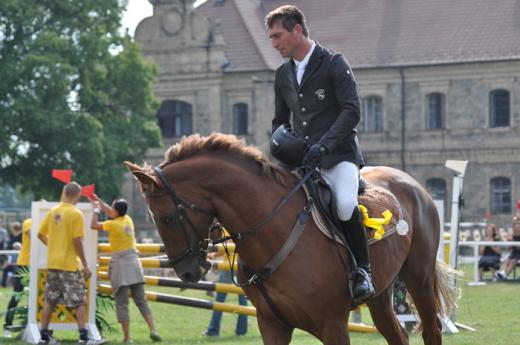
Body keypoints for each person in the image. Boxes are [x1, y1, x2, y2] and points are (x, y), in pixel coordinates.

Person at [265, 5, 374, 303]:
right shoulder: (282, 75)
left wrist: (324, 145)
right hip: (301, 161)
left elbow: (352, 110)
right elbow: (279, 121)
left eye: (277, 36)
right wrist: (278, 144)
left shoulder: (334, 63)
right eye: (271, 38)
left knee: (344, 204)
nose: (274, 44)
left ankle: (363, 271)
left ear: (297, 30)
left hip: (338, 156)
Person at [89, 193, 161, 344]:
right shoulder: (127, 220)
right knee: (141, 301)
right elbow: (110, 211)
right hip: (134, 264)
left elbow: (94, 226)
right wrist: (98, 199)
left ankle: (127, 338)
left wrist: (96, 210)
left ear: (116, 211)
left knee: (122, 303)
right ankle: (153, 329)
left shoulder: (113, 224)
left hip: (121, 266)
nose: (111, 211)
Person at [37, 182, 95, 345]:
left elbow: (40, 235)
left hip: (53, 263)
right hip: (69, 264)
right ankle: (83, 337)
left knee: (50, 300)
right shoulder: (76, 214)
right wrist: (85, 264)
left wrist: (54, 246)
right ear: (78, 195)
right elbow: (77, 242)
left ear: (64, 192)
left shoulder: (53, 211)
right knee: (79, 300)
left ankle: (44, 336)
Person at [205, 230, 247, 337]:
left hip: (229, 265)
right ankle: (242, 330)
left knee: (220, 299)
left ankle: (213, 330)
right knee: (243, 300)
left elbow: (226, 246)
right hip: (242, 263)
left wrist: (213, 254)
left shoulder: (226, 225)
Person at [3, 219, 31, 338]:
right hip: (25, 264)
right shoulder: (29, 222)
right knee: (17, 295)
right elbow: (33, 235)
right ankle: (8, 327)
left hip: (42, 265)